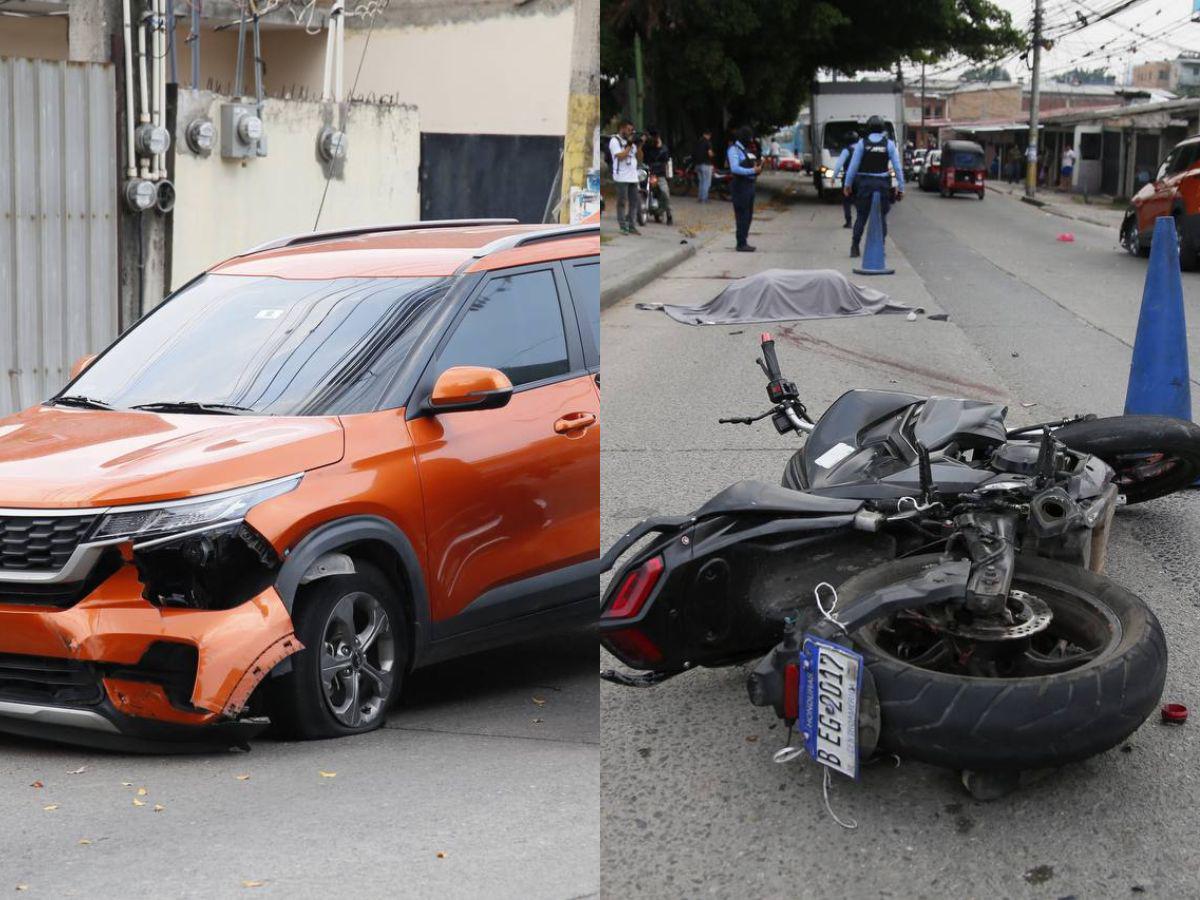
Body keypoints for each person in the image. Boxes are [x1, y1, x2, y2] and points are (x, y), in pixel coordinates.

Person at [843, 115, 904, 258]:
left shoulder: (861, 143)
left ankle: (855, 247)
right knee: (881, 217)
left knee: (861, 217)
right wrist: (901, 187)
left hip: (865, 184)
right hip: (882, 185)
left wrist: (847, 184)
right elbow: (897, 167)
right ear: (883, 128)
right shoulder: (888, 144)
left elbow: (853, 167)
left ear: (868, 128)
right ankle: (881, 248)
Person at [727, 125, 763, 252]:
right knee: (742, 215)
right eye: (749, 137)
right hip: (740, 186)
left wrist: (757, 169)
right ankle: (741, 243)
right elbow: (735, 168)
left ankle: (744, 240)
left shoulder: (744, 150)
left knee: (748, 215)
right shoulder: (734, 150)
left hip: (749, 185)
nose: (751, 140)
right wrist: (752, 170)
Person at [609, 120, 642, 235]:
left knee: (635, 202)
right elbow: (621, 156)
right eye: (628, 130)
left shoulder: (631, 143)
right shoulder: (615, 140)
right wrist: (629, 144)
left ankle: (632, 225)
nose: (630, 132)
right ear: (622, 128)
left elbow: (640, 157)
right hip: (621, 177)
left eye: (632, 130)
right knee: (622, 202)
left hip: (633, 177)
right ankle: (623, 226)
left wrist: (639, 145)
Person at [644, 130, 674, 225]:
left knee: (665, 193)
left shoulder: (663, 148)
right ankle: (636, 211)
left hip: (659, 175)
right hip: (648, 173)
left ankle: (669, 215)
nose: (652, 140)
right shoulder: (647, 147)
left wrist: (660, 147)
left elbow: (666, 159)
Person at [832, 130, 858, 229]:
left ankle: (849, 222)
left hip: (848, 178)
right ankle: (860, 221)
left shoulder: (846, 150)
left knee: (847, 200)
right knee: (859, 200)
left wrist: (834, 177)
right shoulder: (862, 149)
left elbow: (839, 165)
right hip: (860, 178)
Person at [693, 128, 715, 202]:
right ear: (708, 135)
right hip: (706, 164)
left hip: (698, 165)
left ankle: (700, 198)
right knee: (706, 182)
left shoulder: (698, 142)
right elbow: (710, 153)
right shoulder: (707, 142)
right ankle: (704, 198)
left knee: (701, 181)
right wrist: (713, 155)